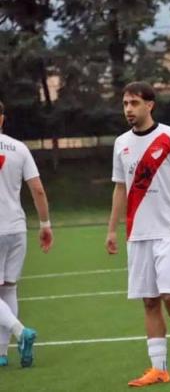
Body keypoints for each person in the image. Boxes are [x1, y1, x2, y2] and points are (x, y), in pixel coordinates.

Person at [106, 82, 170, 386]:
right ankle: (159, 368)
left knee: (169, 295)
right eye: (125, 103)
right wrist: (111, 229)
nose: (128, 109)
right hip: (137, 234)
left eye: (134, 103)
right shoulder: (121, 143)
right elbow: (120, 188)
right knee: (149, 302)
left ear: (150, 105)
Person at [0, 100, 53, 368]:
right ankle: (2, 352)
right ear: (2, 118)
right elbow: (38, 189)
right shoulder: (19, 148)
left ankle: (20, 332)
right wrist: (45, 224)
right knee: (9, 288)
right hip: (16, 228)